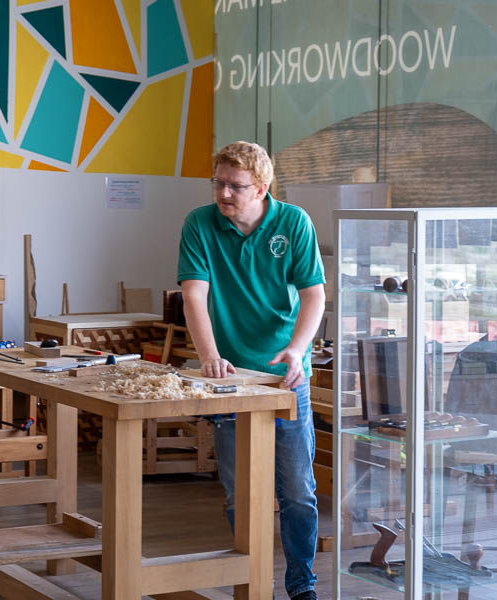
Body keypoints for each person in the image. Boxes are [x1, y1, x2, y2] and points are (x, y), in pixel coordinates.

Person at [177, 141, 325, 600]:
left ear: (261, 188)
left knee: (298, 492)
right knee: (239, 494)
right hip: (229, 378)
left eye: (235, 186)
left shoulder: (294, 222)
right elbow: (194, 295)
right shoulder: (200, 224)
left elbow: (314, 295)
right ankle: (253, 577)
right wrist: (208, 354)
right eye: (218, 183)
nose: (223, 193)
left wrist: (298, 351)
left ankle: (301, 583)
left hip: (285, 378)